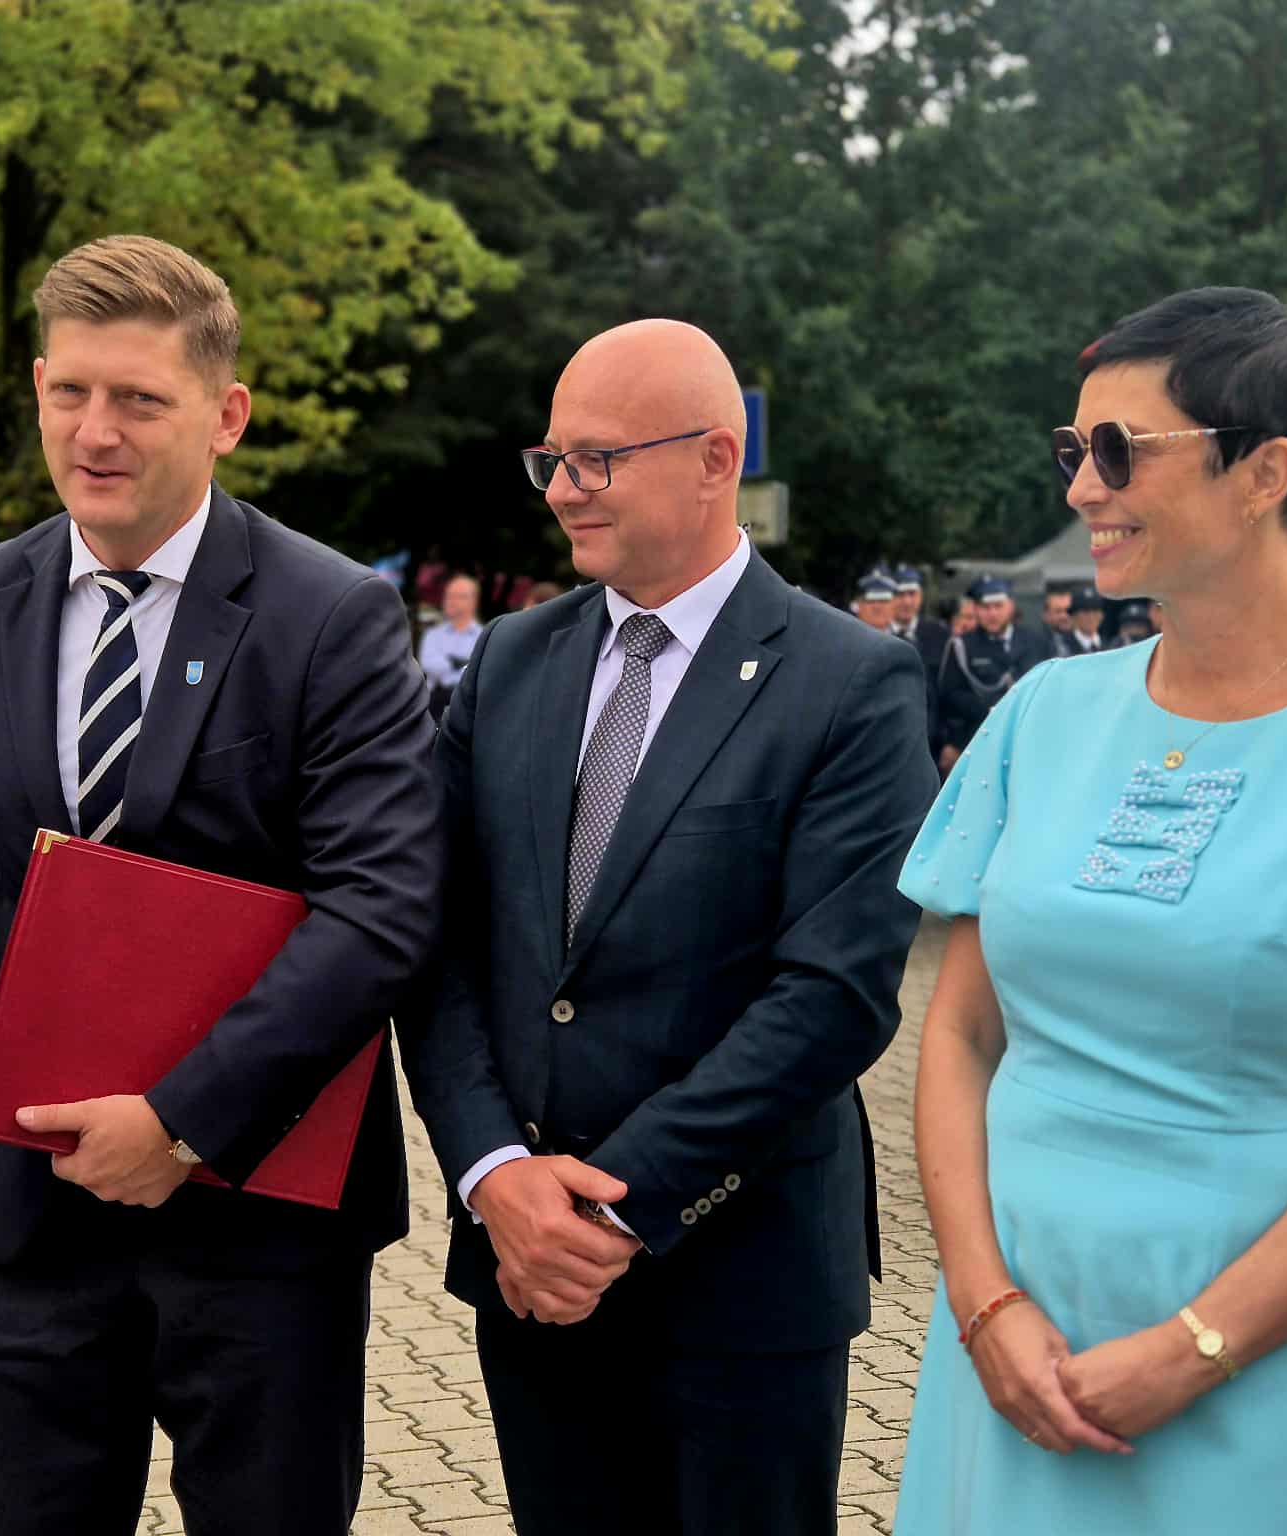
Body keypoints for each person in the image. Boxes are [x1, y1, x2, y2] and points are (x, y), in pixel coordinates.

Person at [895, 285, 1287, 1535]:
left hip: (1272, 1346)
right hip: (1012, 1336)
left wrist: (1190, 1349)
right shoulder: (1039, 716)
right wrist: (982, 1302)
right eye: (1070, 448)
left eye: (1117, 450)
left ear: (1264, 473)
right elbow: (960, 1035)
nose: (1080, 486)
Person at [0, 234, 441, 1536]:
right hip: (25, 1213)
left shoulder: (330, 615)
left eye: (140, 401)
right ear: (39, 389)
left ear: (226, 416)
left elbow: (380, 908)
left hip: (255, 1221)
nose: (95, 432)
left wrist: (182, 1122)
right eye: (71, 392)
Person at [399, 318, 936, 1536]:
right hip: (528, 1269)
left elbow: (832, 994)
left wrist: (608, 1207)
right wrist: (493, 1176)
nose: (562, 491)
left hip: (739, 1282)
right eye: (550, 461)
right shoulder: (509, 661)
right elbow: (434, 940)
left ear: (714, 459)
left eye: (595, 459)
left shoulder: (848, 681)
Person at [938, 575, 1051, 772]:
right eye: (985, 607)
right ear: (976, 609)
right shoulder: (962, 646)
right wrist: (991, 708)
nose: (992, 613)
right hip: (977, 740)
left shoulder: (1036, 641)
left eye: (998, 606)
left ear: (1011, 606)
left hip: (1028, 739)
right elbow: (950, 695)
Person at [891, 565, 951, 765]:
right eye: (900, 594)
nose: (907, 601)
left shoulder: (940, 634)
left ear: (921, 596)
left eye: (912, 594)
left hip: (932, 741)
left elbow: (947, 691)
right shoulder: (876, 632)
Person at [419, 570, 482, 718]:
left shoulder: (483, 636)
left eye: (458, 596)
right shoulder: (432, 634)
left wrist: (449, 664)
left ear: (473, 601)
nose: (450, 601)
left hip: (469, 708)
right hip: (434, 705)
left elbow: (478, 674)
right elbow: (429, 664)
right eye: (448, 595)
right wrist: (460, 663)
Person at [1059, 585, 1105, 655]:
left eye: (1095, 610)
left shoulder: (1110, 647)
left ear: (1102, 615)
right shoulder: (1061, 646)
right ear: (1074, 615)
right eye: (1085, 611)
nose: (1091, 616)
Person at [1040, 586, 1073, 654]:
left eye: (1068, 610)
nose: (1064, 616)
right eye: (1058, 611)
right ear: (1045, 615)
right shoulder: (1036, 643)